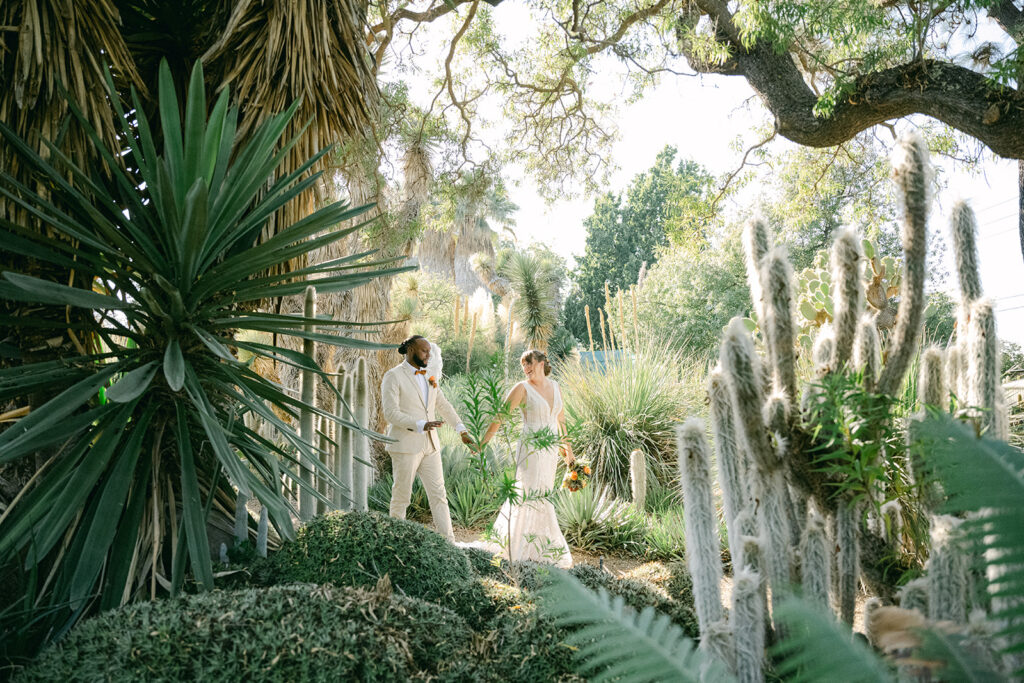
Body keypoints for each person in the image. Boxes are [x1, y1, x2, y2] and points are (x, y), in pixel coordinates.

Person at [477, 349, 574, 568]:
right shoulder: (522, 389)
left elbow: (561, 422)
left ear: (541, 363)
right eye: (523, 365)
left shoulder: (556, 387)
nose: (526, 369)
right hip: (531, 448)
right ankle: (517, 547)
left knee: (544, 495)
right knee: (528, 494)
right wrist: (483, 442)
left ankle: (539, 549)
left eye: (528, 363)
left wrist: (569, 452)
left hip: (550, 452)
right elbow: (500, 416)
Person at [381, 335, 474, 541]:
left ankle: (449, 543)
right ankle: (395, 543)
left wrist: (462, 430)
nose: (428, 355)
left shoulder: (429, 377)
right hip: (406, 445)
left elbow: (443, 404)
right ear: (411, 350)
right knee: (401, 497)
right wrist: (421, 424)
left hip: (430, 446)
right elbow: (390, 413)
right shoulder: (393, 376)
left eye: (429, 351)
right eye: (424, 351)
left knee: (439, 495)